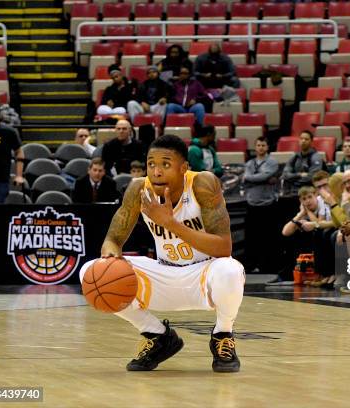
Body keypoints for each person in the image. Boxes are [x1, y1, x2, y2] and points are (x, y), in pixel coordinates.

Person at [78, 134, 245, 373]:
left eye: (165, 164)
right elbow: (112, 240)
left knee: (230, 269)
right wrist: (111, 256)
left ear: (183, 168)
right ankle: (158, 335)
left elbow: (224, 247)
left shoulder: (203, 184)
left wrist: (171, 223)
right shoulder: (138, 189)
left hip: (204, 276)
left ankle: (222, 335)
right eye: (151, 164)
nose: (156, 171)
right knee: (92, 272)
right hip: (164, 275)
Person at [244, 137, 280, 275]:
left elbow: (263, 176)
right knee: (252, 238)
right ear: (255, 147)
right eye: (258, 145)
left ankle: (267, 266)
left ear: (267, 147)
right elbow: (250, 177)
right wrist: (260, 178)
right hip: (252, 204)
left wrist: (253, 178)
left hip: (267, 204)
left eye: (263, 145)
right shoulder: (250, 163)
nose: (260, 147)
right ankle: (251, 265)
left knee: (267, 238)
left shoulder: (272, 162)